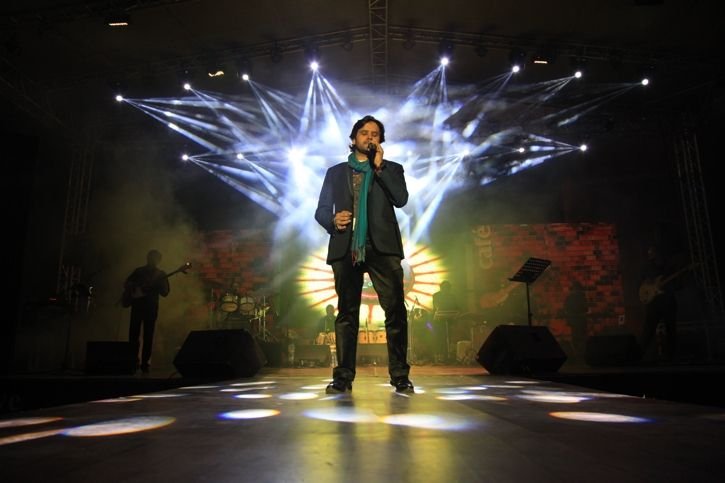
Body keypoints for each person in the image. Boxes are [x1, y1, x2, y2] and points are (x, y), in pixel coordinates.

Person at [315, 115, 413, 394]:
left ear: (380, 141)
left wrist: (380, 167)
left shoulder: (391, 168)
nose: (369, 137)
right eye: (364, 133)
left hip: (382, 247)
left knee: (395, 311)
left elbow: (401, 199)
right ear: (354, 138)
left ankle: (400, 376)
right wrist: (333, 220)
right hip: (346, 247)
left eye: (375, 134)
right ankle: (342, 377)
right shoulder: (335, 172)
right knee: (346, 314)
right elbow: (321, 210)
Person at [123, 249, 170, 373]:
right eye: (151, 257)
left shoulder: (160, 274)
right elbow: (127, 283)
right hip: (139, 306)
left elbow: (165, 292)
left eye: (154, 258)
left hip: (150, 307)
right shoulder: (138, 271)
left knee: (147, 335)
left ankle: (144, 363)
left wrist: (157, 286)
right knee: (135, 334)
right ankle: (133, 361)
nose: (152, 260)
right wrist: (133, 288)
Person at [639, 245, 679, 362]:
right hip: (654, 303)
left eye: (652, 253)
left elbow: (677, 284)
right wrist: (646, 286)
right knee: (648, 330)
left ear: (658, 254)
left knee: (670, 329)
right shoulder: (647, 267)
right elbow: (641, 283)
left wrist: (668, 286)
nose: (650, 256)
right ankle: (639, 355)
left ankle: (671, 357)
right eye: (649, 254)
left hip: (668, 302)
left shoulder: (669, 268)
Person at [431, 280, 461, 363]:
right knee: (441, 337)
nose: (446, 290)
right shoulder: (436, 295)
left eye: (448, 288)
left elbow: (456, 307)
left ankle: (449, 355)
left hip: (449, 319)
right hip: (439, 320)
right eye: (444, 288)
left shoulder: (452, 296)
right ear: (441, 288)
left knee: (449, 337)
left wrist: (458, 312)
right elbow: (436, 307)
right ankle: (441, 355)